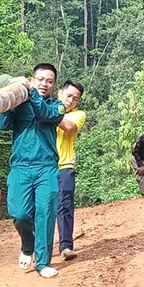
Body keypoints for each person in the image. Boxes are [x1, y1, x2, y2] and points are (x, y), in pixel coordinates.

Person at [0, 63, 65, 277]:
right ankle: (28, 245)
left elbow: (45, 113)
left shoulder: (57, 107)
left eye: (50, 81)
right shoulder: (20, 102)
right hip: (20, 167)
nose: (45, 84)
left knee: (45, 215)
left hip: (46, 168)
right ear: (33, 78)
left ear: (54, 85)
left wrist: (30, 91)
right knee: (19, 214)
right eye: (40, 79)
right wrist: (10, 97)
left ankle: (43, 263)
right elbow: (3, 124)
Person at [54, 80, 86, 260]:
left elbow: (69, 127)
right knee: (41, 208)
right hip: (44, 165)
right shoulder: (47, 106)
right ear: (59, 93)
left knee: (65, 206)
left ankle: (65, 246)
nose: (71, 100)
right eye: (68, 95)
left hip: (65, 166)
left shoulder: (78, 114)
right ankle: (35, 247)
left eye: (76, 98)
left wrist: (47, 111)